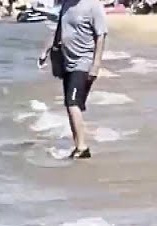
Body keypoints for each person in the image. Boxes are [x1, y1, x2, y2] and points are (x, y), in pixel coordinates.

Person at [38, 0, 108, 160]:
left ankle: (83, 147)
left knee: (72, 103)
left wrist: (96, 64)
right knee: (71, 104)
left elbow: (101, 35)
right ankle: (78, 145)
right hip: (66, 61)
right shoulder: (66, 4)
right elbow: (59, 31)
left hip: (84, 61)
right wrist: (46, 51)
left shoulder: (93, 5)